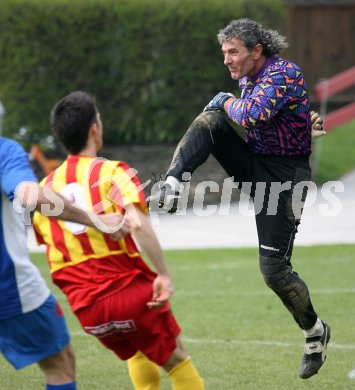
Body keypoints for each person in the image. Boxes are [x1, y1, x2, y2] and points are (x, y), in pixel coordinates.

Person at [147, 18, 330, 380]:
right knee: (211, 120)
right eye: (224, 53)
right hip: (256, 163)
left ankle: (314, 332)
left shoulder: (283, 73)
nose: (227, 60)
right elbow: (262, 119)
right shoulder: (249, 79)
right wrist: (299, 121)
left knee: (274, 272)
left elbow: (253, 114)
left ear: (256, 51)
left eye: (233, 52)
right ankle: (172, 182)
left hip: (286, 178)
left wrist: (226, 99)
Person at [32, 91, 204, 390]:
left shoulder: (45, 191)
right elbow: (137, 225)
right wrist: (163, 272)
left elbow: (49, 246)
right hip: (126, 292)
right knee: (177, 360)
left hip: (86, 308)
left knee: (137, 352)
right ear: (94, 128)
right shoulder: (113, 171)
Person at [0, 136, 129, 390]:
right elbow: (31, 197)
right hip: (10, 290)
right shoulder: (4, 150)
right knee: (60, 364)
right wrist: (97, 220)